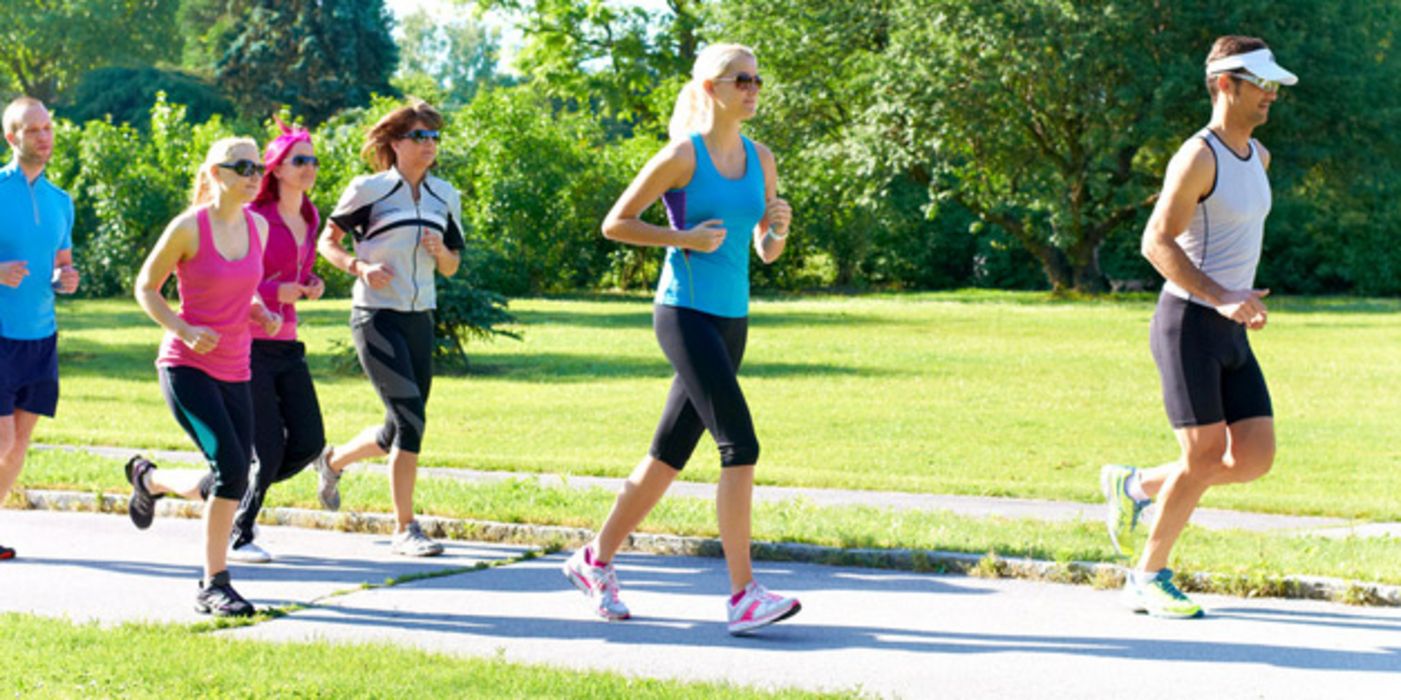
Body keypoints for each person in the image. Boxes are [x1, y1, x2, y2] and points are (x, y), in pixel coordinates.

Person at [562, 44, 800, 635]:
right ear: (711, 88)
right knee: (739, 444)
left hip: (731, 318)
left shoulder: (761, 158)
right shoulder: (681, 157)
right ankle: (744, 594)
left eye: (757, 78)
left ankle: (594, 560)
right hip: (684, 313)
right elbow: (615, 222)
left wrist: (778, 234)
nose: (753, 87)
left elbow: (764, 250)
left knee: (667, 458)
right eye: (741, 78)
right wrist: (684, 239)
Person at [1101, 36, 1296, 619]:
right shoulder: (1198, 155)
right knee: (1205, 454)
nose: (1271, 94)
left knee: (1254, 457)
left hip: (1230, 326)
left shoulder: (1257, 156)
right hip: (1188, 321)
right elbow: (1155, 241)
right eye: (1260, 84)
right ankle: (1147, 577)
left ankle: (1134, 487)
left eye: (1273, 85)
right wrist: (1220, 295)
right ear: (1224, 84)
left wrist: (1239, 298)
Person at [128, 136, 281, 617]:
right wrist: (183, 329)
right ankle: (213, 583)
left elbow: (241, 289)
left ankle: (149, 479)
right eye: (242, 167)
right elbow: (146, 288)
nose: (254, 175)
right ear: (217, 173)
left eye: (258, 166)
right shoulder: (188, 228)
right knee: (233, 469)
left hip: (236, 365)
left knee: (231, 471)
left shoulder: (257, 226)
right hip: (186, 365)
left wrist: (259, 313)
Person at [314, 99, 463, 557]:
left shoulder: (446, 196)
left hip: (421, 317)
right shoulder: (370, 190)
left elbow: (453, 268)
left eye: (435, 137)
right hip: (376, 317)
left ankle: (332, 460)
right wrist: (359, 267)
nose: (430, 145)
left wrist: (440, 252)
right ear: (396, 142)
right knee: (411, 421)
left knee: (396, 429)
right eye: (420, 137)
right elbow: (327, 241)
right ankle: (405, 528)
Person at [228, 118, 331, 564]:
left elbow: (297, 272)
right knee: (266, 450)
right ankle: (239, 531)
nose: (309, 168)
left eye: (313, 160)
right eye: (300, 161)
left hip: (287, 341)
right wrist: (274, 293)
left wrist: (311, 283)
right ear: (277, 168)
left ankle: (229, 484)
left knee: (309, 443)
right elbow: (238, 278)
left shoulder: (309, 216)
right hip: (249, 343)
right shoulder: (254, 218)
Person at [0, 97, 80, 561]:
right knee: (3, 439)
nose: (44, 136)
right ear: (12, 138)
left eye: (48, 128)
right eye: (33, 130)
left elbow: (62, 263)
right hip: (0, 335)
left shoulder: (60, 201)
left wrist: (65, 279)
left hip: (41, 339)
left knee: (19, 444)